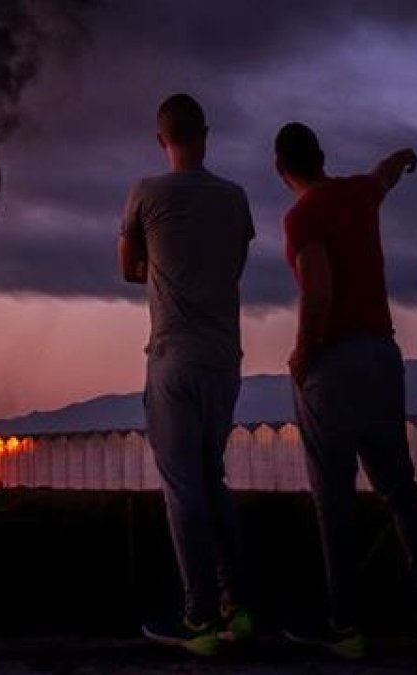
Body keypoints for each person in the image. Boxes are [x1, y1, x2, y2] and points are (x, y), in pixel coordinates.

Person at [273, 122, 417, 658]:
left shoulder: (300, 217)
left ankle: (345, 627)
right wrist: (401, 157)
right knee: (401, 490)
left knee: (333, 498)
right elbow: (382, 178)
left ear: (280, 170)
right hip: (382, 355)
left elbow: (319, 288)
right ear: (322, 157)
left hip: (333, 362)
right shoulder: (356, 192)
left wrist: (305, 351)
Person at [119, 93, 255, 657]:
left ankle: (198, 618)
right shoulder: (235, 197)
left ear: (160, 140)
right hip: (225, 360)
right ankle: (237, 609)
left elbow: (128, 269)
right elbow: (234, 268)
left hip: (174, 358)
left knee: (183, 489)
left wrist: (163, 267)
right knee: (212, 478)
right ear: (207, 133)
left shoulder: (146, 193)